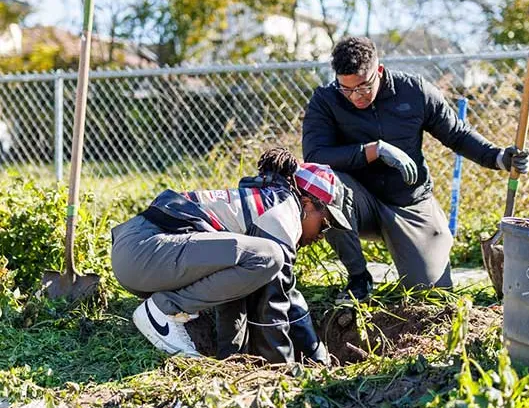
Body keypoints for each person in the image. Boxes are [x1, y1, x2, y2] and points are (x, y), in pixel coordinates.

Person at [302, 36, 529, 303]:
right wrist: (373, 150)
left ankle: (422, 249)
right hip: (358, 201)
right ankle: (359, 279)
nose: (356, 97)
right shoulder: (326, 100)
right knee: (321, 185)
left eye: (363, 87)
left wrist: (498, 157)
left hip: (408, 204)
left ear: (379, 71)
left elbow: (456, 134)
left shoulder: (415, 91)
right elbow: (316, 157)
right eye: (347, 89)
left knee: (431, 295)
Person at [111, 147, 351, 364]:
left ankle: (229, 353)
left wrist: (232, 359)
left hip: (142, 253)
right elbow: (273, 307)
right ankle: (165, 310)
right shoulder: (283, 214)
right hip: (146, 250)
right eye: (325, 224)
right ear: (308, 203)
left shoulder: (269, 201)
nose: (322, 235)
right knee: (269, 257)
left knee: (250, 269)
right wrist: (283, 368)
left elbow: (237, 293)